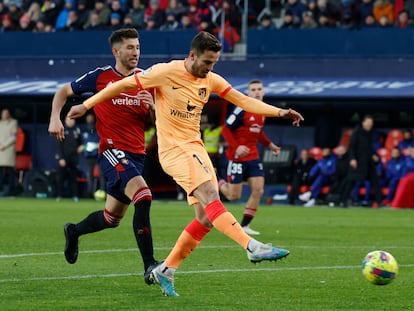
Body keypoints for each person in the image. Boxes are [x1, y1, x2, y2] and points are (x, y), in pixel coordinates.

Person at [66, 31, 304, 297]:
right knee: (210, 196)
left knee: (205, 217)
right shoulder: (165, 72)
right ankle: (251, 247)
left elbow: (243, 100)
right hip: (173, 152)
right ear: (192, 55)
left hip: (196, 149)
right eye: (206, 63)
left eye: (214, 63)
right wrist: (86, 105)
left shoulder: (210, 79)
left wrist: (279, 111)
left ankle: (166, 269)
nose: (210, 69)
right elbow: (120, 86)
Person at [48, 28, 158, 285]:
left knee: (111, 218)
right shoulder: (101, 77)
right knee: (144, 195)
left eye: (138, 47)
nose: (136, 53)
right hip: (110, 151)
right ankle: (150, 265)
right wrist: (55, 118)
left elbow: (157, 124)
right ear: (116, 51)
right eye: (130, 48)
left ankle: (74, 231)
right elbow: (63, 91)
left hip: (136, 155)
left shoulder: (147, 80)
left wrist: (153, 108)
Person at [218, 79, 281, 235]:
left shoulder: (263, 111)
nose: (257, 92)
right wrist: (237, 147)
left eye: (259, 89)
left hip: (253, 156)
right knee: (234, 196)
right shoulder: (242, 108)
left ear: (264, 91)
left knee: (258, 190)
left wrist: (270, 145)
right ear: (248, 93)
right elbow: (225, 129)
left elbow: (257, 132)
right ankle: (218, 182)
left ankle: (245, 226)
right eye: (253, 90)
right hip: (237, 157)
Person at [338, 115, 383, 208]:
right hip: (358, 161)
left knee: (375, 181)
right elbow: (351, 147)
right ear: (363, 123)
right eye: (368, 123)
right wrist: (352, 159)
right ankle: (343, 201)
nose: (370, 125)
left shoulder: (371, 133)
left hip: (368, 161)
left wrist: (374, 155)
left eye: (371, 124)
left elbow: (369, 147)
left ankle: (379, 202)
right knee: (351, 181)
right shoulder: (356, 132)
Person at [55, 116, 82, 202]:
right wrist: (61, 158)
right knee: (61, 178)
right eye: (69, 119)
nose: (71, 121)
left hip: (74, 158)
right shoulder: (62, 130)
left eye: (73, 119)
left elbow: (81, 142)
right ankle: (59, 195)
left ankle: (75, 196)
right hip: (64, 158)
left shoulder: (77, 130)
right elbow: (59, 146)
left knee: (74, 178)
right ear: (65, 120)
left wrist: (81, 146)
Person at [80, 113, 105, 197]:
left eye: (91, 119)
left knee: (102, 174)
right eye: (88, 119)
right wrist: (84, 147)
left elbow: (101, 143)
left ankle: (103, 191)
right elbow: (84, 144)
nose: (89, 120)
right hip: (89, 156)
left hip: (99, 154)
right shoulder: (84, 131)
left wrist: (93, 146)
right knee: (89, 174)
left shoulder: (98, 130)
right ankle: (89, 193)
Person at [0, 108, 18, 196]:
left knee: (11, 171)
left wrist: (4, 145)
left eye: (6, 113)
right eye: (3, 113)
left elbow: (13, 137)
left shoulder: (13, 123)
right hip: (0, 151)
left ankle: (12, 191)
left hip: (8, 150)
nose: (5, 115)